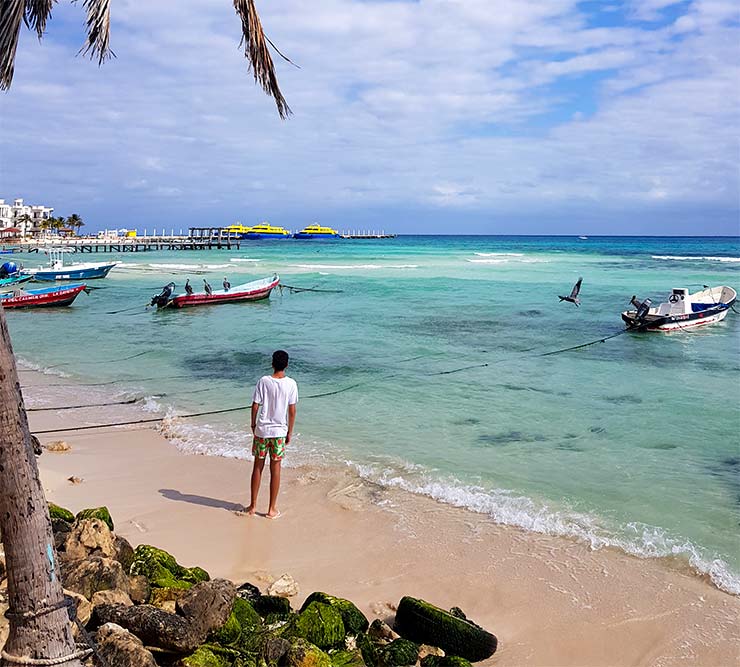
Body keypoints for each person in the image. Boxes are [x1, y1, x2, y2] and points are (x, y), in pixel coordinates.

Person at [246, 350, 298, 518]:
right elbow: (292, 411)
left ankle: (253, 506)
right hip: (279, 432)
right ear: (287, 365)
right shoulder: (291, 384)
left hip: (262, 430)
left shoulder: (264, 381)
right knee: (276, 470)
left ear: (272, 363)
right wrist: (290, 431)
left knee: (258, 467)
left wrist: (253, 424)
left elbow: (255, 405)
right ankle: (271, 509)